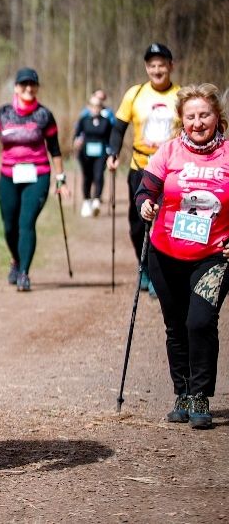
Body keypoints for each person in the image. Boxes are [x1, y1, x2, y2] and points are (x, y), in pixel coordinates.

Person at [135, 83, 229, 430]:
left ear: (217, 117)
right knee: (175, 326)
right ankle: (183, 393)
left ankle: (201, 394)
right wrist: (145, 204)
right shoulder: (169, 151)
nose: (197, 122)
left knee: (200, 322)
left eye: (204, 115)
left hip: (213, 256)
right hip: (166, 253)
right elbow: (146, 189)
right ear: (181, 120)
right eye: (190, 116)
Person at [0, 67, 66, 291]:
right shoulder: (3, 113)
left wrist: (61, 178)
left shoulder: (45, 115)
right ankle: (16, 260)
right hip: (9, 176)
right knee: (9, 227)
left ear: (37, 88)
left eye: (32, 84)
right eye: (23, 84)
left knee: (26, 223)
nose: (28, 88)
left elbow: (55, 149)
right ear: (16, 87)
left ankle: (24, 273)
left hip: (38, 175)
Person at [108, 43, 180, 295]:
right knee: (138, 224)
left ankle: (161, 274)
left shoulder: (181, 95)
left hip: (172, 170)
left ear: (171, 66)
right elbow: (119, 128)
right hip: (140, 166)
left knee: (164, 222)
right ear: (146, 68)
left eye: (162, 65)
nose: (157, 70)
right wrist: (113, 152)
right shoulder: (135, 94)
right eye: (152, 65)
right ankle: (146, 269)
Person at [74, 93, 114, 216]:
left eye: (98, 106)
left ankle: (97, 200)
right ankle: (86, 201)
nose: (95, 108)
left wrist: (112, 153)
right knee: (87, 177)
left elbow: (111, 138)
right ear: (89, 106)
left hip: (101, 153)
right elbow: (77, 135)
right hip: (85, 153)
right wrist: (76, 141)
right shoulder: (84, 120)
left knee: (98, 175)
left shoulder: (106, 121)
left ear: (101, 107)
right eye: (93, 105)